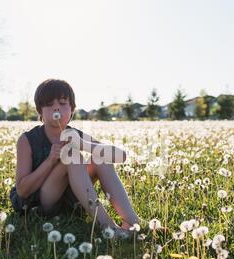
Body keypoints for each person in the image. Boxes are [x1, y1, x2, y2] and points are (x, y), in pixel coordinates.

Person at [9, 79, 140, 234]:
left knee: (100, 157)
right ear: (40, 111)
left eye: (63, 103)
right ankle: (108, 227)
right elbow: (23, 190)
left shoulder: (75, 134)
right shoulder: (27, 140)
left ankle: (132, 224)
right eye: (49, 104)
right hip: (42, 202)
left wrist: (84, 144)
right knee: (71, 155)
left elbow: (121, 157)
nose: (56, 107)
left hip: (72, 199)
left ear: (72, 110)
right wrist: (50, 161)